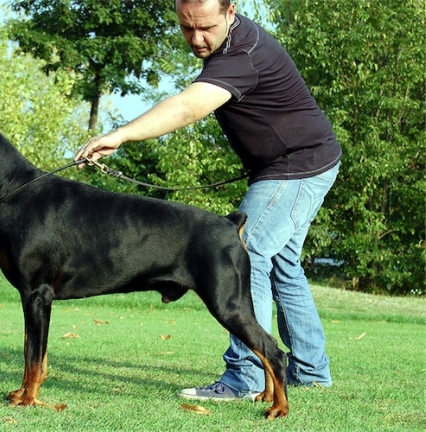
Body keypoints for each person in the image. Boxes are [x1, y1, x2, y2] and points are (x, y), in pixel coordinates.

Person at [74, 0, 341, 401]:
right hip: (301, 162)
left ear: (230, 12)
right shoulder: (231, 43)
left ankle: (245, 378)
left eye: (206, 28)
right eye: (187, 28)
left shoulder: (242, 52)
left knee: (247, 252)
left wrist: (121, 134)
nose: (197, 38)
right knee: (283, 266)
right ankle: (310, 371)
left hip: (296, 166)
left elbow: (187, 106)